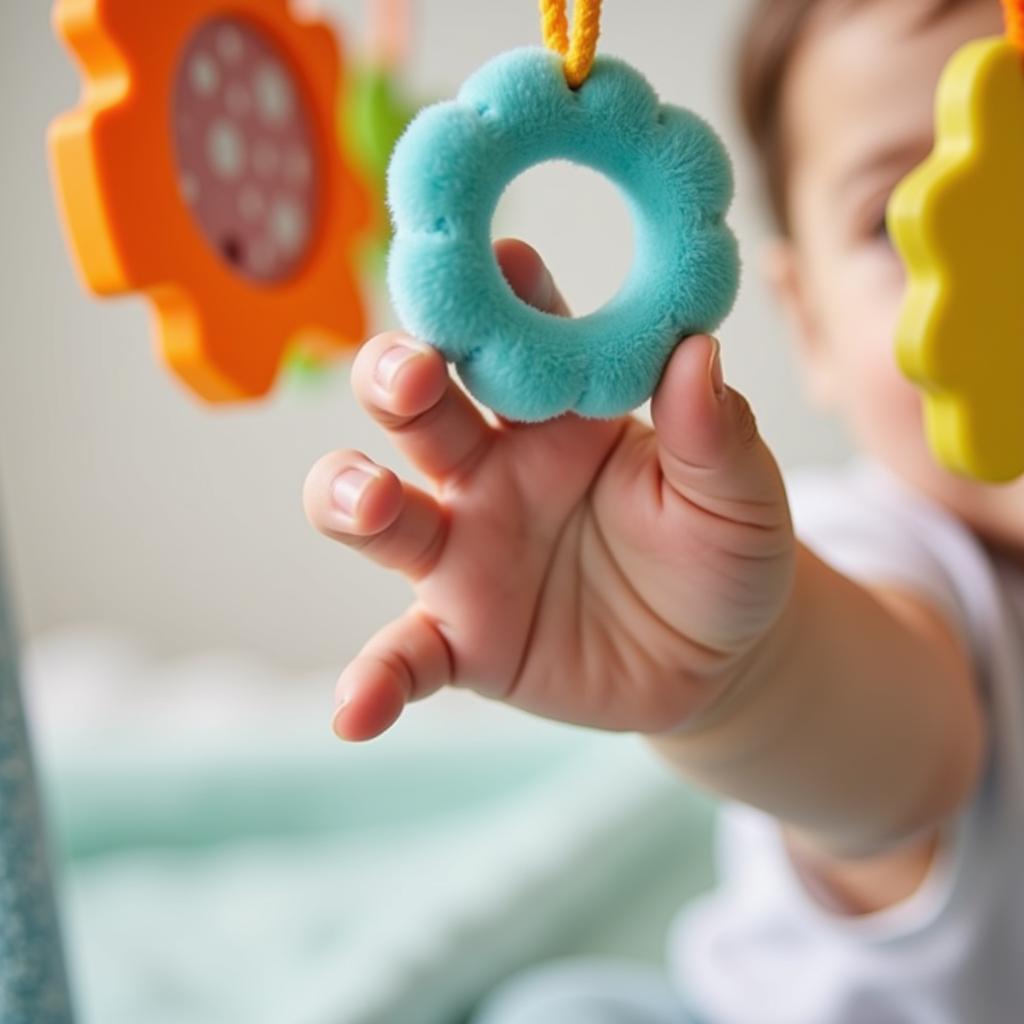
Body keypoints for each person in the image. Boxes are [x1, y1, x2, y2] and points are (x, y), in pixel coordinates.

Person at [303, 0, 1023, 1020]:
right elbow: (892, 741)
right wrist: (739, 672)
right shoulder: (886, 561)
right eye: (906, 219)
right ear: (808, 321)